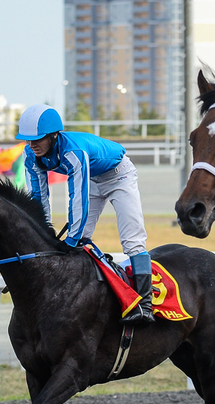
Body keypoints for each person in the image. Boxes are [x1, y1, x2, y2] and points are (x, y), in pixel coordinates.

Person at [16, 104, 155, 324]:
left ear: (54, 135)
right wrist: (43, 235)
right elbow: (38, 198)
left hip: (120, 176)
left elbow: (77, 198)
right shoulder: (30, 155)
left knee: (132, 241)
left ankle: (145, 306)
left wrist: (70, 239)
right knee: (81, 240)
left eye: (38, 139)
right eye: (28, 140)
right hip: (92, 178)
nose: (32, 145)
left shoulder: (73, 151)